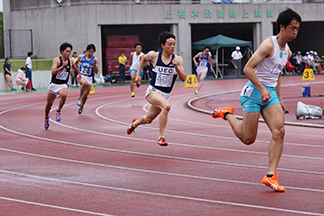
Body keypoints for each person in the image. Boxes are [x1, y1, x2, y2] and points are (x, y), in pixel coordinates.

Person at [211, 8, 301, 192]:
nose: (295, 32)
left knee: (279, 131)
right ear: (282, 27)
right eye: (292, 28)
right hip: (253, 91)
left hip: (270, 94)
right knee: (248, 138)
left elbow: (277, 74)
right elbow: (247, 69)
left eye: (297, 29)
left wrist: (280, 97)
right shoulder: (269, 45)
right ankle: (227, 114)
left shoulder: (288, 52)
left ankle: (270, 176)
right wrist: (261, 89)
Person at [126, 31, 186, 146]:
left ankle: (135, 124)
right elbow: (143, 59)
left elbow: (183, 78)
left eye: (174, 44)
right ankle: (161, 137)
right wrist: (138, 74)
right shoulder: (154, 56)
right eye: (169, 44)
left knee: (148, 119)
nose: (172, 47)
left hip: (165, 95)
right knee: (167, 107)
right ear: (162, 45)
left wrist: (177, 67)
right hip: (153, 91)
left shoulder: (178, 59)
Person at [44, 42, 80, 130]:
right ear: (62, 51)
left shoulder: (70, 60)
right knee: (49, 104)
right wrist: (62, 67)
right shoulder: (57, 60)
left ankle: (58, 110)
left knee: (64, 95)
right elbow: (53, 72)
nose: (68, 53)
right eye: (67, 51)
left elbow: (73, 66)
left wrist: (78, 73)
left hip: (63, 84)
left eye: (70, 51)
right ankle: (46, 118)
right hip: (54, 84)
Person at [75, 44, 99, 114]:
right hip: (81, 76)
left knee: (85, 95)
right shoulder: (81, 57)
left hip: (89, 78)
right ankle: (79, 98)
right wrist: (73, 70)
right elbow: (75, 63)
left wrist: (94, 64)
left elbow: (96, 71)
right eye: (89, 51)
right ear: (87, 51)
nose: (91, 53)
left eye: (92, 52)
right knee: (84, 83)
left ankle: (81, 106)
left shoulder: (95, 59)